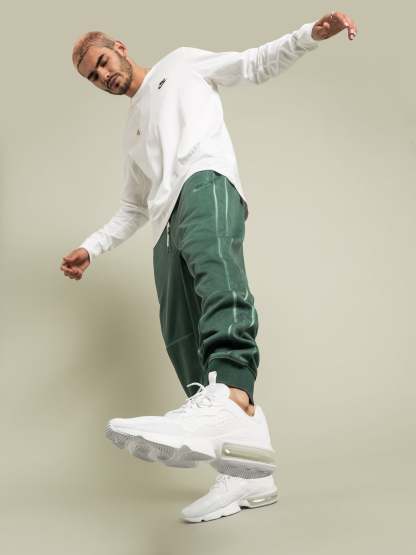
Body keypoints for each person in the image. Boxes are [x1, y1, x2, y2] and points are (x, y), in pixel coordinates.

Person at [61, 11, 357, 523]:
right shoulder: (132, 131)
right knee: (180, 332)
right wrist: (93, 246)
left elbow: (252, 63)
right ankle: (246, 472)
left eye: (103, 62)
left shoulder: (181, 64)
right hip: (163, 225)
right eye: (92, 76)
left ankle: (232, 392)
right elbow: (133, 206)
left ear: (120, 47)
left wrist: (309, 35)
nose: (103, 76)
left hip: (204, 184)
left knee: (219, 282)